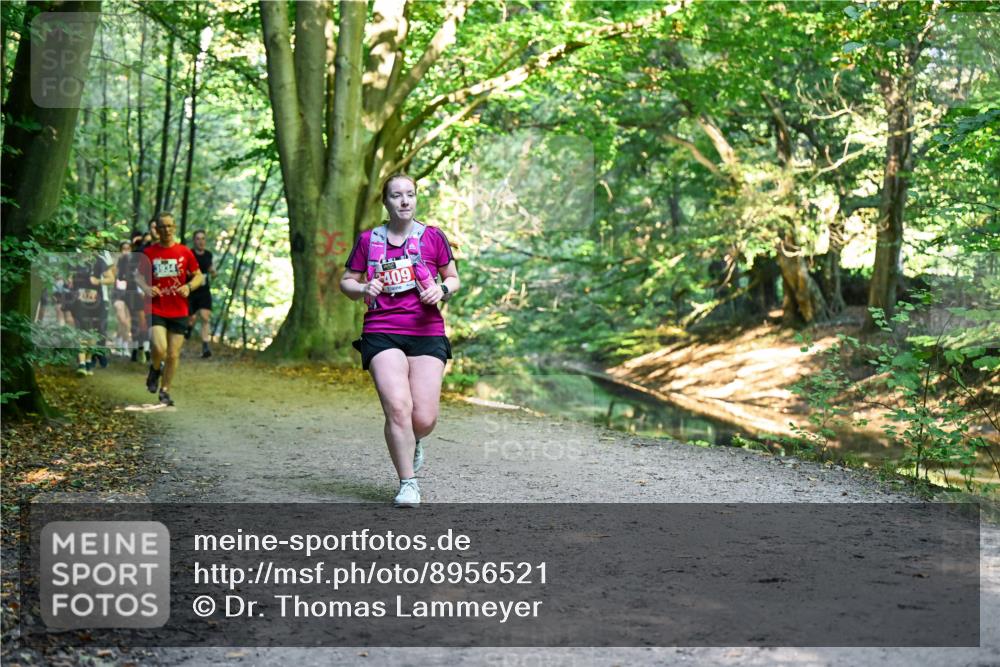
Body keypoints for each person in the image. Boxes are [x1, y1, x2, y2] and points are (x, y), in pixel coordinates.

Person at [339, 173, 459, 507]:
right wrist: (363, 288)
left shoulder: (433, 237)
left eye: (410, 194)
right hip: (381, 329)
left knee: (423, 418)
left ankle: (413, 440)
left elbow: (452, 277)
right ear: (386, 202)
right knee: (397, 407)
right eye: (396, 195)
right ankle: (408, 483)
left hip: (426, 330)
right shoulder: (369, 240)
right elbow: (346, 281)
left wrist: (442, 289)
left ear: (416, 198)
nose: (404, 201)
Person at [137, 212, 204, 406]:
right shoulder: (149, 253)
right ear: (157, 230)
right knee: (160, 348)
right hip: (156, 307)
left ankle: (165, 390)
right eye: (162, 227)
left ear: (174, 228)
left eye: (169, 226)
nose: (166, 230)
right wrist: (148, 288)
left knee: (173, 354)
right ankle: (155, 368)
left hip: (179, 308)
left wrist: (189, 286)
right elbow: (138, 277)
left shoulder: (185, 252)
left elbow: (198, 276)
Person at [67, 253, 114, 375]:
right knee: (81, 330)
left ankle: (88, 360)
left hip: (97, 302)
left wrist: (98, 281)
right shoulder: (75, 260)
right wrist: (70, 280)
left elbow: (111, 278)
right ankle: (81, 364)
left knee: (93, 331)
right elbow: (69, 277)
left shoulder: (99, 260)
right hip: (80, 301)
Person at [186, 229, 217, 358]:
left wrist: (213, 272)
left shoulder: (208, 254)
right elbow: (184, 268)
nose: (201, 241)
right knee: (191, 318)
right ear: (194, 241)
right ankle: (188, 329)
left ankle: (205, 347)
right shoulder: (189, 253)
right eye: (198, 239)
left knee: (205, 317)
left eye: (203, 238)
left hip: (204, 290)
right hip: (191, 290)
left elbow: (210, 267)